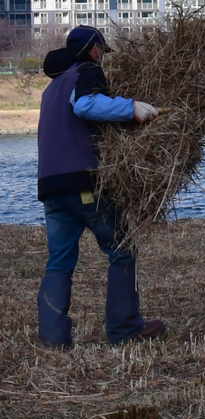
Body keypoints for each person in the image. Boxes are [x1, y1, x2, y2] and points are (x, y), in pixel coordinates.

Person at [36, 26, 163, 348]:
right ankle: (125, 328)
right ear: (94, 49)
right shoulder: (87, 70)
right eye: (103, 51)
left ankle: (54, 340)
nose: (103, 57)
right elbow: (85, 105)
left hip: (51, 186)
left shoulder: (51, 88)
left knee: (59, 261)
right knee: (122, 250)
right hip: (84, 181)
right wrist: (131, 107)